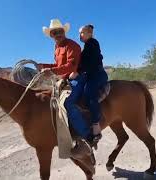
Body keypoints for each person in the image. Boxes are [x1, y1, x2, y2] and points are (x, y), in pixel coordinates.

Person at [37, 19, 92, 158]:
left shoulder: (72, 45)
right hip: (66, 78)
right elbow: (57, 64)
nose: (57, 34)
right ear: (51, 35)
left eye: (60, 31)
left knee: (68, 103)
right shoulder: (57, 48)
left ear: (64, 32)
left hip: (78, 77)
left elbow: (71, 66)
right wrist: (42, 66)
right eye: (54, 32)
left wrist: (52, 71)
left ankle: (87, 138)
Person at [78, 24, 108, 143]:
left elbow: (91, 63)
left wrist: (79, 71)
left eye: (82, 32)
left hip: (98, 75)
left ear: (89, 33)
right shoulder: (87, 45)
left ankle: (96, 124)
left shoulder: (92, 43)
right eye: (79, 33)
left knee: (88, 91)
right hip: (92, 74)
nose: (79, 35)